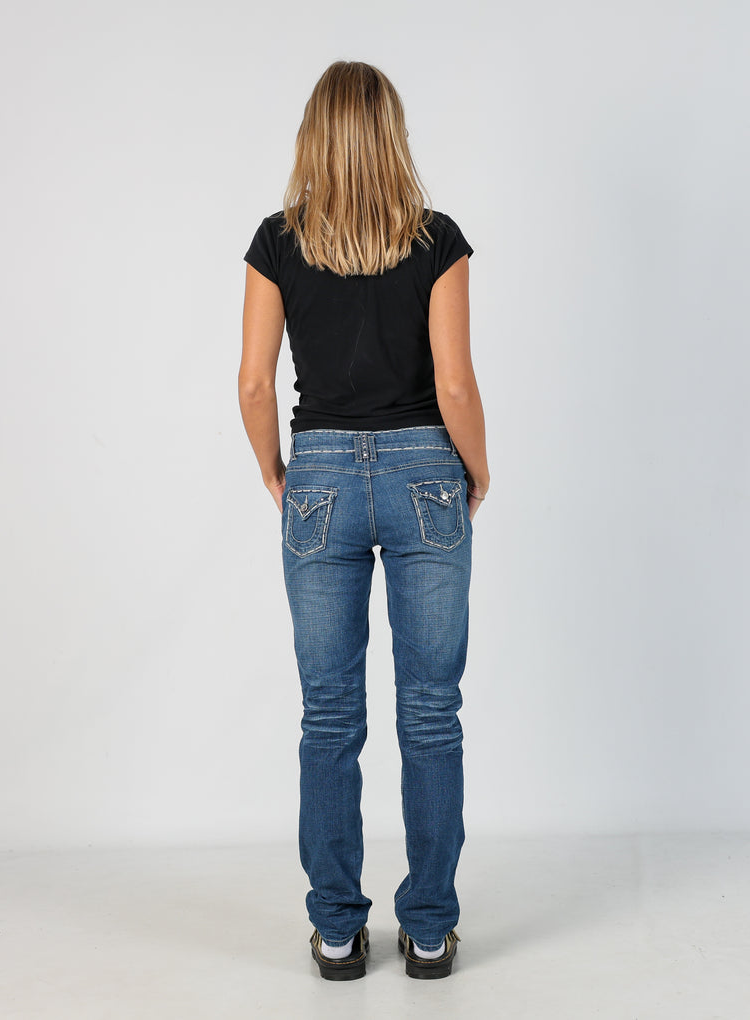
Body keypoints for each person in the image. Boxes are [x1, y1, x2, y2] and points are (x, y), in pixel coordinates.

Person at [238, 60, 489, 981]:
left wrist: (276, 470)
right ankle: (428, 931)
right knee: (431, 711)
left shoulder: (277, 243)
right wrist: (478, 469)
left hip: (320, 481)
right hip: (426, 472)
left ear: (314, 136)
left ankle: (338, 931)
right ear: (392, 135)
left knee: (329, 714)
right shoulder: (437, 240)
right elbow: (453, 385)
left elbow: (255, 384)